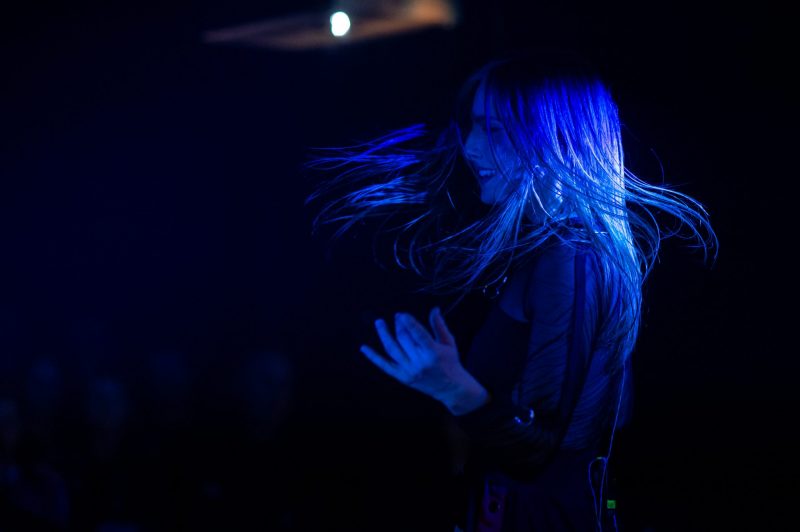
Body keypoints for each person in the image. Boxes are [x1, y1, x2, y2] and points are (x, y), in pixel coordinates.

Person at [304, 48, 717, 531]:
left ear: (554, 136)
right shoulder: (560, 252)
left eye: (495, 129)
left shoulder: (572, 257)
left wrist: (452, 389)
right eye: (473, 126)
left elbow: (539, 451)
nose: (471, 146)